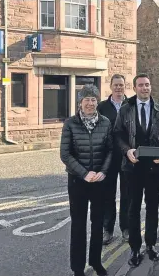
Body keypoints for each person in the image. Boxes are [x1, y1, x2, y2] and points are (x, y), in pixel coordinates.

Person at [114, 73, 159, 267]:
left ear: (150, 86)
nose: (145, 88)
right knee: (133, 209)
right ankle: (134, 248)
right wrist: (126, 150)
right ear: (135, 88)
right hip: (132, 168)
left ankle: (151, 244)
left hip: (154, 168)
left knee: (152, 208)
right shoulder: (125, 110)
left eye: (147, 85)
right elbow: (118, 134)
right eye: (141, 85)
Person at [60, 85, 113, 276]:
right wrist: (84, 173)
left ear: (97, 102)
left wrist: (104, 172)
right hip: (78, 182)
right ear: (80, 103)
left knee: (98, 224)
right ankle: (77, 268)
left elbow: (110, 150)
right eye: (86, 100)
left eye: (93, 99)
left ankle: (96, 262)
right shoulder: (70, 124)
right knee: (78, 225)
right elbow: (65, 154)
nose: (90, 103)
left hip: (99, 181)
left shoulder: (105, 123)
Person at [97, 74, 129, 245]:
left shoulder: (131, 105)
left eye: (121, 85)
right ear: (111, 86)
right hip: (108, 157)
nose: (118, 88)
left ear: (125, 86)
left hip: (127, 157)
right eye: (116, 85)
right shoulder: (102, 107)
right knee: (107, 195)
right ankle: (107, 229)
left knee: (127, 195)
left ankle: (126, 228)